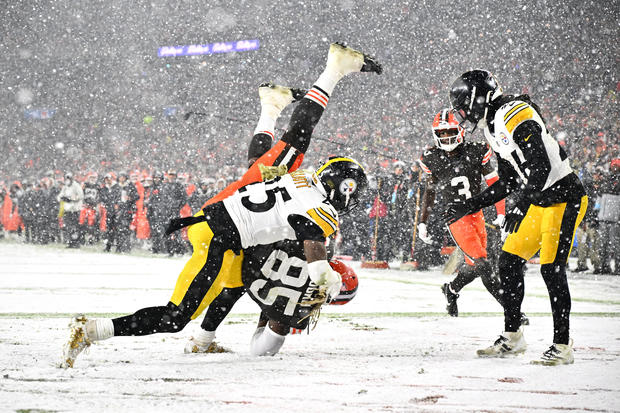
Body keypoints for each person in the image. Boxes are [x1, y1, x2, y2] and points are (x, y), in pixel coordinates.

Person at [60, 42, 381, 367]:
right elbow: (316, 258)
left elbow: (280, 154)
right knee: (177, 316)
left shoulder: (294, 178)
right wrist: (327, 280)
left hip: (222, 214)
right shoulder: (318, 211)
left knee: (238, 274)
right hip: (223, 233)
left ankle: (271, 107)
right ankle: (92, 330)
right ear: (344, 193)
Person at [445, 70, 588, 365]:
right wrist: (471, 205)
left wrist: (520, 206)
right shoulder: (494, 124)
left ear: (478, 97)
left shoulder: (514, 113)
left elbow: (540, 165)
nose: (461, 113)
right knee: (508, 262)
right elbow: (508, 180)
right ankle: (513, 337)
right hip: (541, 198)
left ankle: (563, 345)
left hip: (564, 196)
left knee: (552, 270)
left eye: (463, 104)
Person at [418, 108, 506, 317]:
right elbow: (429, 192)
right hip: (455, 217)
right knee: (483, 265)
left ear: (459, 130)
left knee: (475, 265)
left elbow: (495, 183)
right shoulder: (432, 157)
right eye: (442, 133)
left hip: (477, 213)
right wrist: (423, 221)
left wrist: (501, 212)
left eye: (449, 131)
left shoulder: (477, 151)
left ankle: (451, 289)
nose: (446, 137)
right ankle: (511, 310)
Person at [57, 172, 84, 248]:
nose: (68, 180)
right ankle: (70, 242)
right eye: (66, 179)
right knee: (68, 226)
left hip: (75, 209)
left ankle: (76, 242)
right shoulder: (65, 187)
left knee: (75, 227)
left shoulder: (76, 186)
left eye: (69, 178)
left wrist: (72, 199)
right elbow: (60, 195)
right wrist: (62, 198)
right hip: (67, 209)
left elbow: (81, 196)